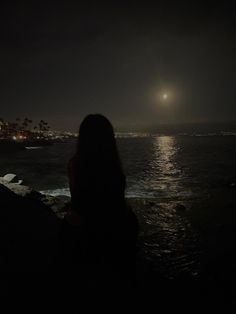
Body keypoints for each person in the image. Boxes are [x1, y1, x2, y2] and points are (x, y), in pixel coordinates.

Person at [59, 114, 138, 291]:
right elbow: (117, 201)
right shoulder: (113, 165)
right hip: (116, 230)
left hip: (87, 232)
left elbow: (78, 201)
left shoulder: (76, 164)